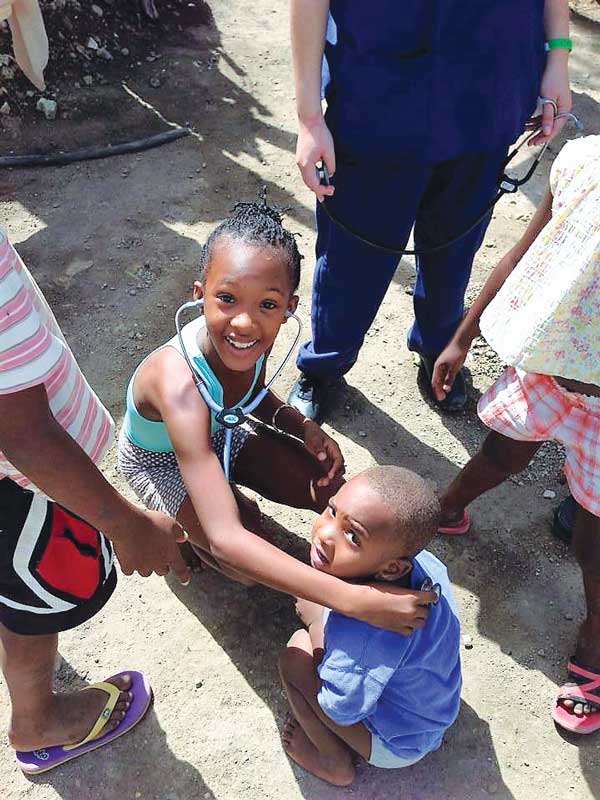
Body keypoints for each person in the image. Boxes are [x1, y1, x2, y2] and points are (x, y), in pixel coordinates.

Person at [118, 196, 438, 630]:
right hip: (163, 460)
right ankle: (190, 520)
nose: (245, 323)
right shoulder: (177, 384)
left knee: (322, 483)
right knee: (241, 555)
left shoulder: (247, 346)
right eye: (227, 298)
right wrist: (352, 600)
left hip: (219, 430)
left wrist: (298, 425)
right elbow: (228, 541)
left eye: (267, 305)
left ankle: (219, 499)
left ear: (288, 309)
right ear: (199, 295)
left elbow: (252, 393)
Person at [287, 0, 572, 421]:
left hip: (488, 91)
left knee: (454, 251)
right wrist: (310, 117)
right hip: (379, 94)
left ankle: (438, 349)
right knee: (353, 257)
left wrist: (558, 55)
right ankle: (326, 363)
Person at [0, 230, 192, 774]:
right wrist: (127, 526)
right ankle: (36, 721)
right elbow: (25, 435)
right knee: (35, 606)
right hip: (22, 485)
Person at [431, 135, 600, 734]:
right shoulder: (581, 163)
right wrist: (462, 334)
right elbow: (523, 258)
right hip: (545, 371)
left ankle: (594, 641)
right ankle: (446, 509)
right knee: (502, 450)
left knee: (593, 538)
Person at [278, 466, 461, 786]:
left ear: (392, 569)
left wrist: (314, 623)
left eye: (352, 536)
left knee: (294, 657)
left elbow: (341, 708)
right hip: (435, 712)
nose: (325, 533)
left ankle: (333, 762)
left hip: (398, 745)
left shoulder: (365, 633)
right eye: (332, 511)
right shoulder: (428, 568)